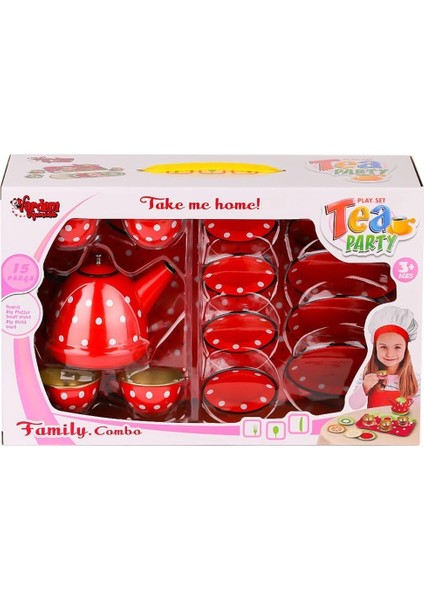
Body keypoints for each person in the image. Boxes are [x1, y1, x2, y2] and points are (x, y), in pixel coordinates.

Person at [349, 306, 419, 409]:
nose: (390, 354)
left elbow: (418, 411)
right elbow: (354, 406)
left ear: (405, 348)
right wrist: (365, 386)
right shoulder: (369, 374)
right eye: (383, 347)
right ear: (375, 348)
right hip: (374, 420)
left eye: (397, 347)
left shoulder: (414, 379)